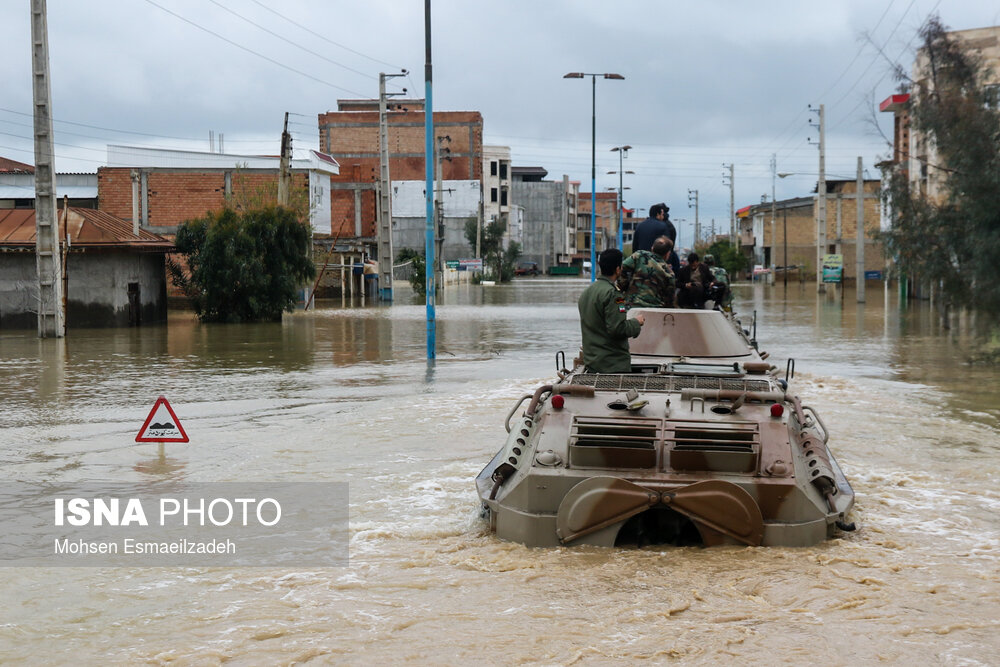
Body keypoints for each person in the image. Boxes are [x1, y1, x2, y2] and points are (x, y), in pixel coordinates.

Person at [578, 248, 645, 373]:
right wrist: (636, 322)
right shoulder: (613, 294)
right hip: (612, 365)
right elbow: (617, 329)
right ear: (618, 269)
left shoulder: (586, 293)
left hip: (592, 363)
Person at [618, 235, 676, 308]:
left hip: (631, 306)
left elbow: (622, 268)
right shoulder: (669, 273)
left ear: (652, 248)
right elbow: (670, 299)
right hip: (654, 310)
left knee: (619, 307)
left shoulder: (640, 255)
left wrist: (624, 285)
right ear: (668, 254)